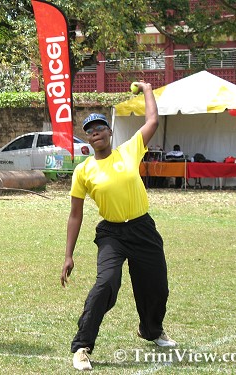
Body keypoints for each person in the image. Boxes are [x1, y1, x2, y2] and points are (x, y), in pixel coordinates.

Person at [61, 82, 177, 371]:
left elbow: (152, 120)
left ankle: (151, 330)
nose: (95, 132)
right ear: (86, 138)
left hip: (142, 228)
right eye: (90, 130)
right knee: (106, 284)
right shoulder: (84, 170)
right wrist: (68, 255)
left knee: (157, 287)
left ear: (110, 131)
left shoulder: (129, 150)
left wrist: (148, 89)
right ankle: (82, 347)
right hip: (111, 233)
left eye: (100, 127)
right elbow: (76, 215)